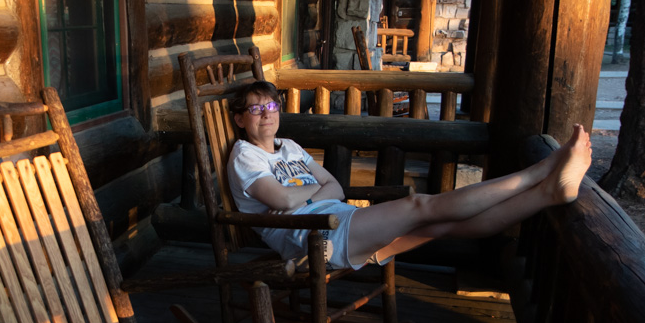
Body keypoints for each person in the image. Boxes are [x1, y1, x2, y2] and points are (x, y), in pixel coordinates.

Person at [226, 80, 592, 270]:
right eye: (255, 109)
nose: (266, 113)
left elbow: (332, 185)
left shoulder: (289, 146)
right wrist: (312, 194)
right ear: (240, 119)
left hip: (339, 220)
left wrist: (305, 196)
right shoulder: (244, 156)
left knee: (445, 226)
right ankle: (541, 170)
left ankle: (550, 194)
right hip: (313, 238)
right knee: (420, 206)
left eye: (271, 105)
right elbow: (282, 200)